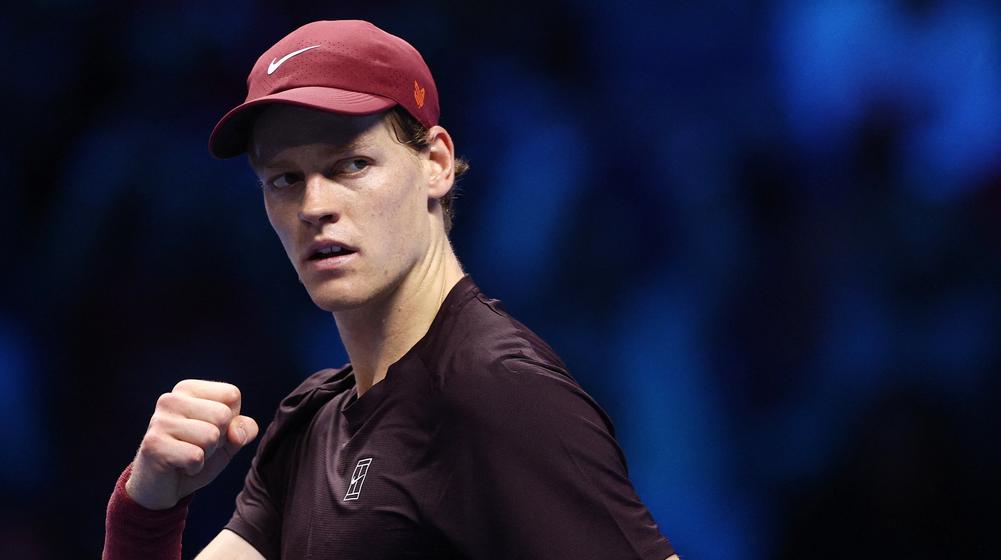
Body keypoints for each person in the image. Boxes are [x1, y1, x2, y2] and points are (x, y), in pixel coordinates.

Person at [102, 19, 677, 560]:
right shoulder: (310, 419)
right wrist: (147, 507)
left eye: (350, 164)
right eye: (285, 179)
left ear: (436, 162)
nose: (314, 207)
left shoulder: (494, 389)